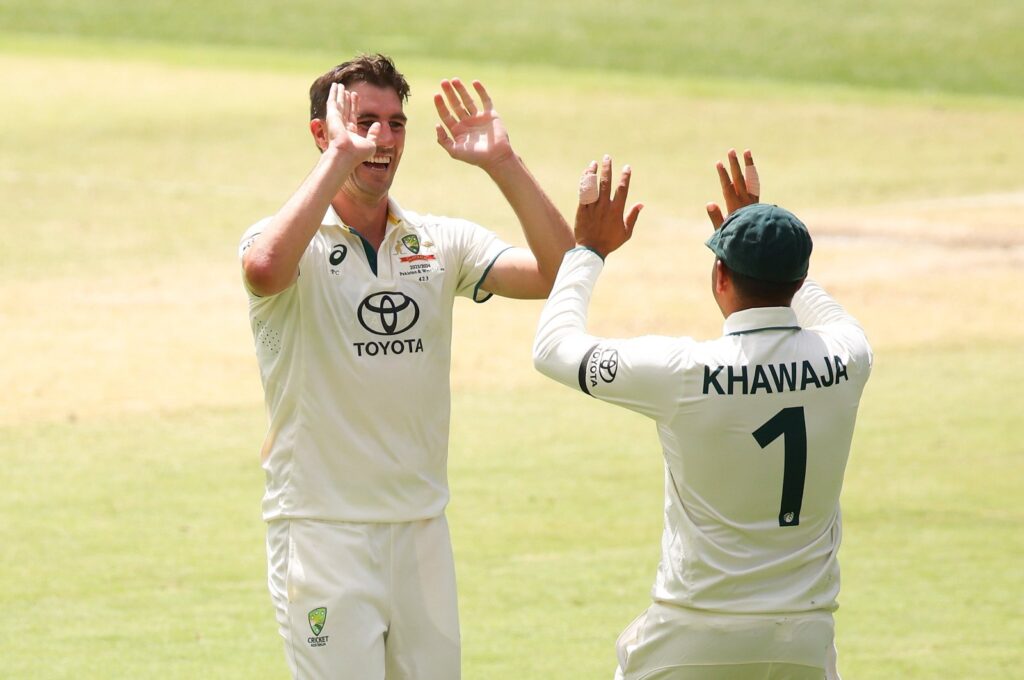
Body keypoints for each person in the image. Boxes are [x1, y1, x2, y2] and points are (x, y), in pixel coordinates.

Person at [238, 54, 573, 679]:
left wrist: (503, 163)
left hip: (421, 530)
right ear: (322, 132)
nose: (383, 139)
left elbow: (560, 275)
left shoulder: (438, 240)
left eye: (396, 123)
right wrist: (338, 159)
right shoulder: (284, 239)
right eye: (365, 121)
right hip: (321, 531)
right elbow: (263, 272)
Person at [533, 151, 873, 680]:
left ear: (719, 276)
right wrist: (764, 237)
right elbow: (812, 301)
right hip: (804, 639)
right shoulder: (850, 355)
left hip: (692, 636)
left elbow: (553, 348)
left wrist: (588, 251)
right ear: (799, 275)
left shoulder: (683, 371)